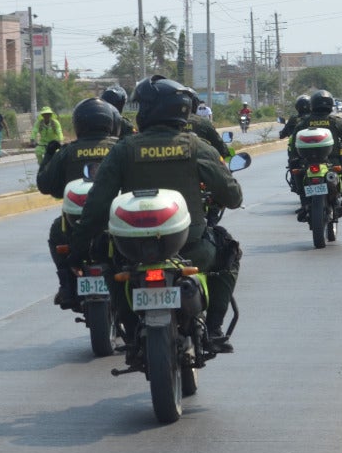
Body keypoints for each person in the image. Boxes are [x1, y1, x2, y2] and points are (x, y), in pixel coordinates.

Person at [68, 75, 243, 350]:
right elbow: (232, 196)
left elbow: (96, 206)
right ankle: (214, 328)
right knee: (229, 253)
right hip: (191, 249)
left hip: (131, 254)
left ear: (150, 110)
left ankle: (128, 326)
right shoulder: (195, 146)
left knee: (106, 262)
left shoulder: (124, 149)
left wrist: (78, 249)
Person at [36, 97, 120, 308]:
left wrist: (48, 156)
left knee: (57, 232)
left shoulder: (67, 152)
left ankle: (66, 285)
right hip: (116, 224)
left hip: (74, 228)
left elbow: (46, 185)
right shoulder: (120, 148)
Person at [289, 89, 342, 220]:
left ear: (313, 105)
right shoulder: (336, 121)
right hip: (334, 163)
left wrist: (295, 159)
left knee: (297, 170)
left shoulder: (303, 123)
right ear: (330, 105)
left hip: (306, 164)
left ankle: (304, 204)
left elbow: (293, 146)